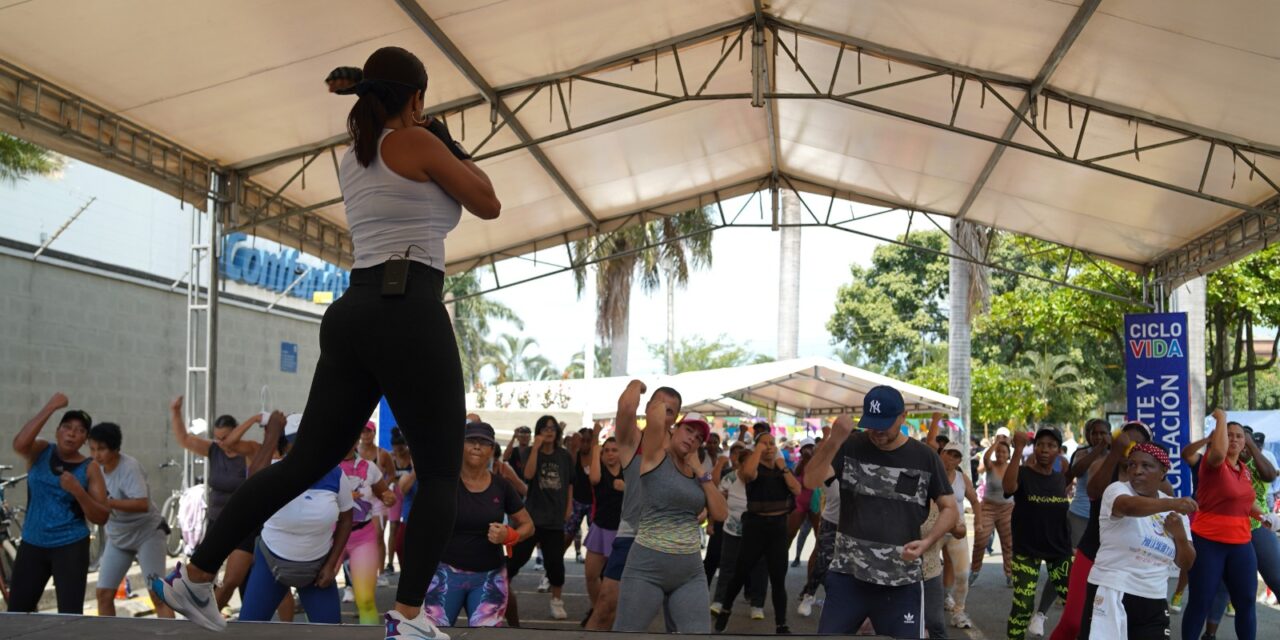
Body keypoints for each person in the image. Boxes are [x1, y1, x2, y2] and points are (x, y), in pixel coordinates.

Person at [154, 45, 501, 640]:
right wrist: (440, 134)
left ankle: (196, 572)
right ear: (415, 98)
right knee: (442, 473)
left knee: (308, 460)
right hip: (409, 305)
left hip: (355, 309)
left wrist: (427, 130)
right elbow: (489, 202)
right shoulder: (416, 143)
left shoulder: (354, 157)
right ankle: (411, 617)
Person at [803, 386, 958, 638]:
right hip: (848, 577)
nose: (877, 431)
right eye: (871, 423)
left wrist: (928, 541)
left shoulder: (925, 457)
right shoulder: (849, 446)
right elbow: (810, 480)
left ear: (903, 416)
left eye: (884, 423)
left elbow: (950, 508)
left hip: (901, 581)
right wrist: (834, 440)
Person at [613, 404, 728, 633]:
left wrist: (700, 471)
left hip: (690, 571)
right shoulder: (655, 457)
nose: (692, 438)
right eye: (688, 430)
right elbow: (655, 412)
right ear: (675, 428)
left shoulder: (698, 474)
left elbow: (721, 513)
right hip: (646, 567)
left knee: (699, 635)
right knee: (626, 633)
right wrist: (661, 402)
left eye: (698, 437)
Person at [1046, 420, 1157, 640]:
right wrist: (1115, 453)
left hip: (1127, 563)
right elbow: (1094, 491)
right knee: (1072, 623)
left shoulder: (1155, 480)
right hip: (1092, 553)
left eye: (1137, 444)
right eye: (1126, 442)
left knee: (1114, 627)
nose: (1130, 448)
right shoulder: (1103, 464)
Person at [586, 382, 681, 631]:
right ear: (648, 408)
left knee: (676, 618)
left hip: (671, 539)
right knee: (606, 606)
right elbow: (626, 407)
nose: (663, 413)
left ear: (675, 418)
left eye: (670, 410)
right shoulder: (633, 440)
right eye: (659, 405)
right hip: (632, 534)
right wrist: (636, 385)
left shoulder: (680, 447)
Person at [240, 414, 353, 624]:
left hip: (318, 568)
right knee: (248, 629)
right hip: (270, 563)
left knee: (331, 634)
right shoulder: (273, 469)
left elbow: (347, 519)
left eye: (309, 440)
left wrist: (331, 564)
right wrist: (272, 435)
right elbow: (252, 483)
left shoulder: (336, 476)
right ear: (286, 444)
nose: (304, 447)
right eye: (296, 441)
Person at [1081, 442, 1196, 639]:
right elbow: (1128, 507)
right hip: (1112, 591)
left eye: (1146, 466)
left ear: (1162, 472)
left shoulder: (1177, 514)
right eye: (1132, 465)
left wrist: (1179, 535)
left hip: (1153, 600)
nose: (1136, 471)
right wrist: (1171, 503)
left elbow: (1186, 563)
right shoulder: (1117, 490)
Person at [424, 422, 532, 627]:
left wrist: (509, 535)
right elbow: (424, 525)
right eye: (471, 441)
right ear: (460, 446)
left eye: (484, 443)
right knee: (434, 634)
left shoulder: (502, 486)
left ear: (491, 450)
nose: (477, 446)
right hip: (446, 573)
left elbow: (528, 525)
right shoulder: (445, 485)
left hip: (489, 576)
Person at [8, 394, 108, 613]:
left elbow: (101, 516)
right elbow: (19, 444)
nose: (72, 433)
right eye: (67, 427)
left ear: (85, 441)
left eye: (80, 431)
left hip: (70, 546)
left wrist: (78, 492)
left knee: (69, 616)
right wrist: (50, 406)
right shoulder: (41, 450)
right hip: (33, 543)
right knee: (16, 611)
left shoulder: (89, 468)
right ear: (57, 431)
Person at [168, 396, 263, 610]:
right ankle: (201, 610)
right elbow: (184, 439)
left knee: (236, 580)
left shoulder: (248, 451)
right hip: (216, 521)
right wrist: (175, 411)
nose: (222, 442)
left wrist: (253, 420)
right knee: (205, 573)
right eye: (218, 438)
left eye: (226, 437)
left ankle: (221, 615)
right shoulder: (214, 450)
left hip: (242, 524)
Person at [1181, 410, 1261, 640]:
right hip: (1208, 542)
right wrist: (1221, 419)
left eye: (1238, 436)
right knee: (1201, 601)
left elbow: (1245, 502)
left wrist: (1264, 516)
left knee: (1246, 601)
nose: (1234, 439)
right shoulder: (1211, 462)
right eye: (1229, 435)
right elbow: (1215, 452)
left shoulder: (1244, 471)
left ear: (1245, 443)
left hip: (1241, 544)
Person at [714, 432, 801, 633]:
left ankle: (781, 624)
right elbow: (746, 475)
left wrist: (783, 466)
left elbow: (796, 489)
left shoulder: (782, 469)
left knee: (778, 578)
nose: (769, 447)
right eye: (764, 444)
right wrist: (758, 450)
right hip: (756, 526)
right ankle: (726, 609)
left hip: (778, 527)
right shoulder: (752, 468)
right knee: (740, 573)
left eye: (772, 443)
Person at [86, 422, 174, 618]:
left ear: (115, 448)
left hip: (148, 533)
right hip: (118, 537)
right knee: (103, 594)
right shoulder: (93, 468)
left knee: (157, 595)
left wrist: (109, 503)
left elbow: (142, 504)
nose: (96, 454)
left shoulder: (129, 467)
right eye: (92, 449)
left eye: (101, 449)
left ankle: (171, 633)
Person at [1002, 427, 1072, 640]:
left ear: (1058, 451)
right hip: (1027, 549)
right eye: (1040, 444)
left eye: (1051, 446)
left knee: (1076, 601)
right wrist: (1018, 449)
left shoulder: (1060, 479)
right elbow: (1008, 486)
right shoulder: (1023, 473)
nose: (1044, 449)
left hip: (1058, 550)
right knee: (1023, 605)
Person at [507, 415, 575, 623]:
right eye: (544, 428)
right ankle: (499, 593)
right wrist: (535, 448)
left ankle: (556, 601)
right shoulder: (528, 451)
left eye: (552, 428)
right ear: (538, 431)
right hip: (532, 518)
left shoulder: (564, 456)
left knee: (555, 563)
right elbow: (528, 475)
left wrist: (569, 507)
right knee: (515, 559)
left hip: (554, 518)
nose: (549, 431)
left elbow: (570, 483)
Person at [340, 437, 398, 623]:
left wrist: (389, 498)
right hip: (329, 535)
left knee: (365, 600)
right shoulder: (322, 464)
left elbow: (384, 495)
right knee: (318, 593)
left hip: (362, 535)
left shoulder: (368, 467)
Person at [711, 442, 769, 618]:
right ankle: (719, 601)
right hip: (732, 530)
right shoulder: (729, 478)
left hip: (757, 533)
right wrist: (712, 523)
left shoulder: (762, 480)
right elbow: (718, 501)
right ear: (741, 464)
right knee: (727, 567)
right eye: (747, 463)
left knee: (759, 569)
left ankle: (757, 605)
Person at [937, 441, 978, 629]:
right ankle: (923, 614)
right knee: (924, 573)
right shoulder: (932, 474)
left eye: (956, 456)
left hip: (957, 530)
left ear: (960, 460)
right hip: (934, 530)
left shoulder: (962, 478)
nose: (951, 458)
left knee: (962, 573)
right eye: (949, 453)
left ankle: (959, 612)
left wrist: (979, 521)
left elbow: (975, 500)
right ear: (941, 453)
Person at [584, 426, 624, 615]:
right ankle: (597, 610)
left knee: (619, 581)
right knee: (591, 575)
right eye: (606, 450)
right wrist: (595, 447)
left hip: (622, 531)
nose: (610, 454)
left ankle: (613, 613)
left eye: (614, 450)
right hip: (600, 529)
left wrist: (627, 488)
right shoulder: (598, 469)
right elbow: (593, 479)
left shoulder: (628, 472)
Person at [796, 449, 839, 619]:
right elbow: (810, 478)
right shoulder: (831, 469)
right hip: (831, 522)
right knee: (823, 561)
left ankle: (840, 601)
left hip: (854, 525)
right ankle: (809, 595)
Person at [970, 432, 1013, 586]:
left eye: (1004, 451)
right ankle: (974, 571)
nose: (1001, 454)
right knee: (980, 541)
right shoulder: (990, 465)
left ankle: (1010, 574)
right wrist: (997, 442)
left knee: (1008, 544)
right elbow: (986, 457)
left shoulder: (1012, 467)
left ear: (1009, 454)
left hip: (1007, 508)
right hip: (988, 507)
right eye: (998, 451)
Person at [358, 421, 395, 582]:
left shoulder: (383, 454)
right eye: (363, 432)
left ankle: (381, 573)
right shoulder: (354, 452)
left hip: (378, 499)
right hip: (359, 499)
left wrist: (382, 488)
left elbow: (392, 473)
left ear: (374, 433)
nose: (366, 435)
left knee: (378, 535)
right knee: (357, 536)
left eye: (369, 432)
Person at [566, 428, 595, 565]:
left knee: (595, 536)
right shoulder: (574, 456)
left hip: (593, 502)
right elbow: (569, 466)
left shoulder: (596, 457)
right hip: (576, 501)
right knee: (567, 536)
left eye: (588, 441)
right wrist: (574, 445)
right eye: (582, 441)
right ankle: (551, 570)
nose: (585, 445)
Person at [788, 439, 819, 567]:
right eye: (806, 448)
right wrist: (805, 460)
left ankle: (816, 567)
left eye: (811, 447)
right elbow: (796, 474)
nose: (808, 450)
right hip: (799, 502)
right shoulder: (798, 464)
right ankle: (795, 557)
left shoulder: (819, 463)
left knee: (819, 537)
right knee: (791, 534)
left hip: (814, 501)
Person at [386, 428, 412, 573]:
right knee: (393, 527)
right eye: (396, 450)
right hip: (396, 493)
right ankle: (390, 562)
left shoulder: (411, 457)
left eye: (402, 450)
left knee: (407, 526)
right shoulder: (391, 457)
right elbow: (385, 475)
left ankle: (408, 560)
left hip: (410, 493)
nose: (399, 453)